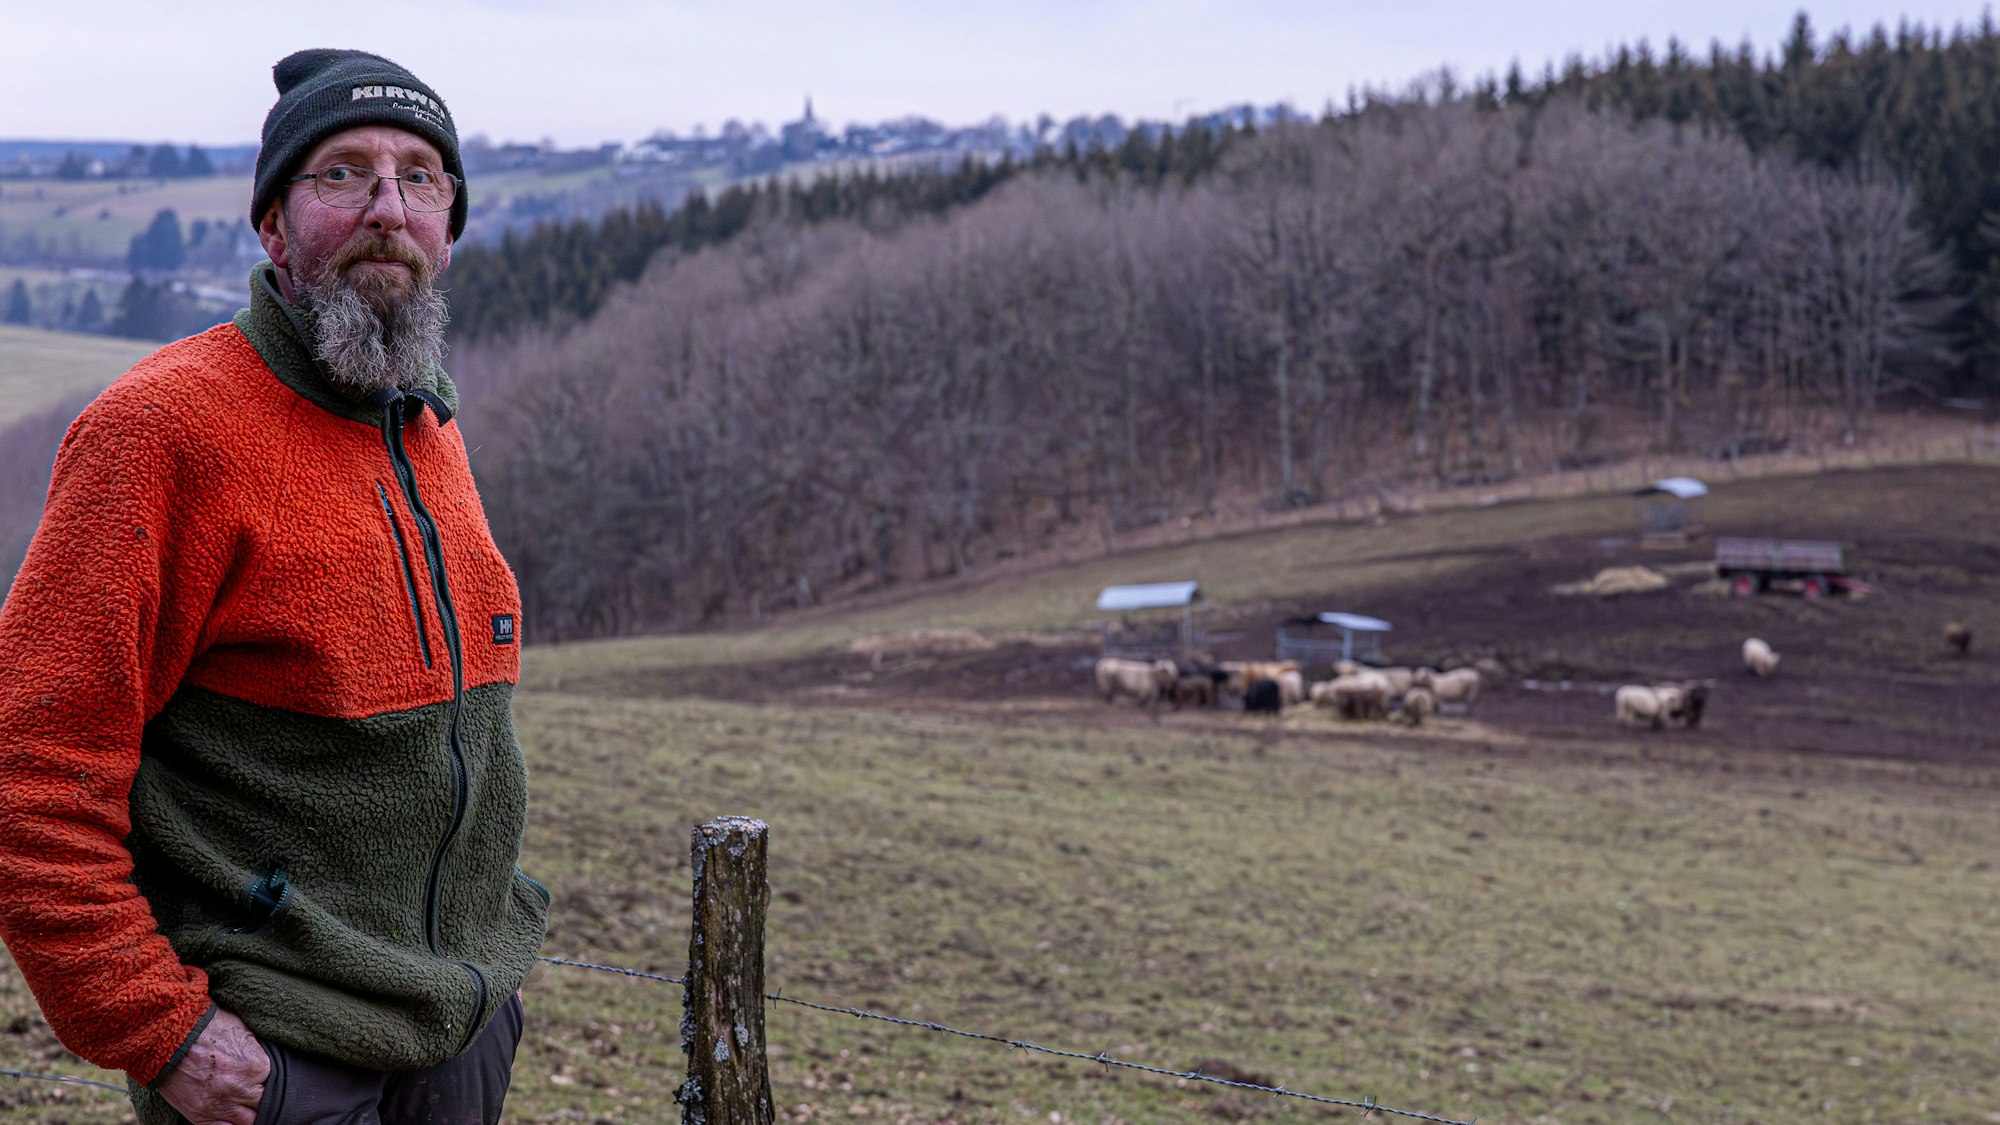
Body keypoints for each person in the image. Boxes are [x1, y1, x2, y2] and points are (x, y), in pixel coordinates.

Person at [0, 50, 549, 1125]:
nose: (388, 207)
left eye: (421, 176)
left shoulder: (425, 422)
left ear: (450, 226)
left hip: (457, 1035)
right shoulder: (161, 433)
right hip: (278, 1062)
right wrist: (160, 1033)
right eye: (342, 174)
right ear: (272, 227)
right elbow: (31, 762)